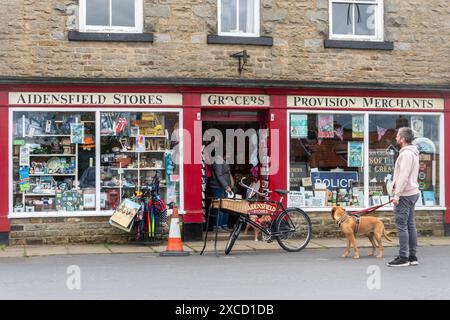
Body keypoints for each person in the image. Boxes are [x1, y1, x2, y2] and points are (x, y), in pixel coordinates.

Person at [387, 127, 420, 267]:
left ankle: (403, 257)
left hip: (405, 195)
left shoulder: (406, 154)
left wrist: (397, 195)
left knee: (402, 226)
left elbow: (403, 177)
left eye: (397, 136)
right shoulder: (413, 152)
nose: (395, 138)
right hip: (413, 193)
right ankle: (412, 256)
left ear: (403, 139)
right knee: (410, 225)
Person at [209, 154, 233, 231]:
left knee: (226, 207)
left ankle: (223, 224)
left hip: (223, 187)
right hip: (218, 187)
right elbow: (219, 175)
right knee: (220, 207)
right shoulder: (218, 160)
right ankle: (217, 226)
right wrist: (226, 186)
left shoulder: (223, 160)